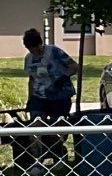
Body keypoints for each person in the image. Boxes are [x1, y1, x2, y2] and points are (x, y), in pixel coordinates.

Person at [20, 27, 76, 166]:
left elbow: (74, 66)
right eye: (31, 49)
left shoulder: (54, 51)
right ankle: (37, 160)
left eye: (37, 48)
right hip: (39, 96)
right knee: (36, 126)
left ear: (40, 43)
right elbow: (32, 79)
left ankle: (59, 157)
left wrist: (63, 78)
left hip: (60, 96)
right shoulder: (29, 59)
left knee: (57, 128)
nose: (35, 52)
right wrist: (30, 99)